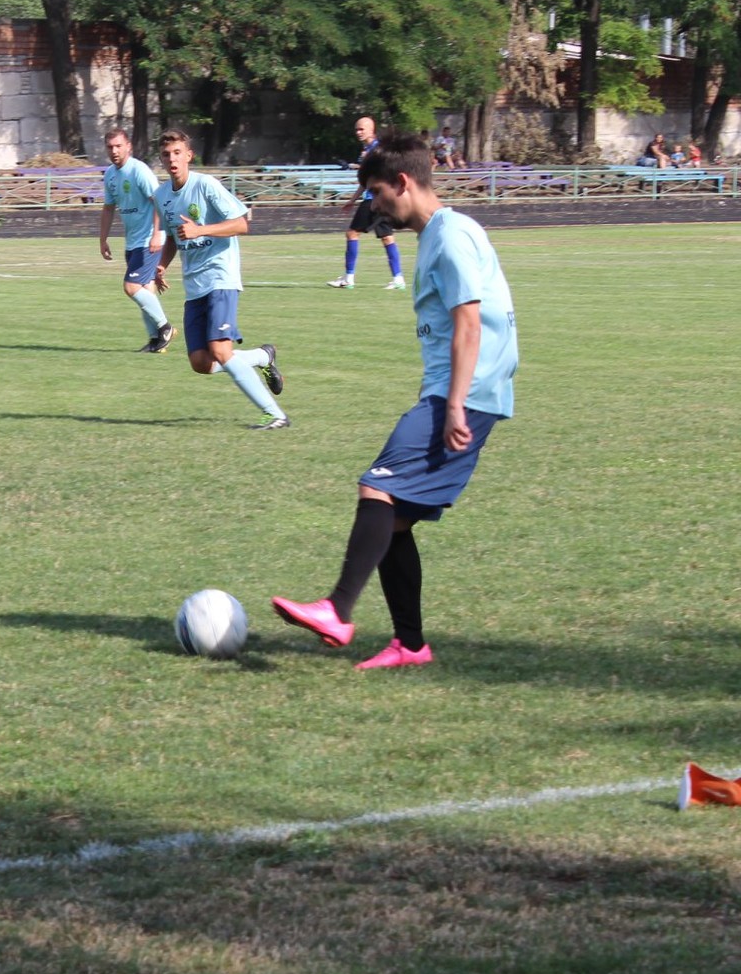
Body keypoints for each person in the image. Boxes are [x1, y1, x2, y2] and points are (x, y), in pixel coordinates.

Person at [272, 133, 517, 669]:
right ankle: (410, 645)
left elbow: (469, 324)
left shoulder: (450, 238)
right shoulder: (439, 233)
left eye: (378, 192)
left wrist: (453, 404)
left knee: (376, 486)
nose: (374, 204)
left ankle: (337, 609)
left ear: (403, 183)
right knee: (394, 518)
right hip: (464, 389)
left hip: (466, 393)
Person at [151, 129, 287, 430]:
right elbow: (175, 235)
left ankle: (274, 414)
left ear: (189, 155)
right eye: (166, 154)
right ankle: (262, 357)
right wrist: (162, 265)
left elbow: (241, 223)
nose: (172, 159)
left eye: (177, 153)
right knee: (201, 362)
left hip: (221, 276)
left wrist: (201, 230)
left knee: (221, 351)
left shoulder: (206, 185)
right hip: (194, 285)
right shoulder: (162, 196)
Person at [95, 127, 173, 352]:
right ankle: (155, 342)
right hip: (132, 242)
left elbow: (158, 200)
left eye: (119, 146)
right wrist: (103, 240)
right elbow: (108, 208)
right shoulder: (110, 174)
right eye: (110, 147)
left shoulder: (139, 170)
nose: (114, 151)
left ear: (129, 146)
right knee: (145, 291)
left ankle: (164, 327)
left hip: (149, 239)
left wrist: (158, 233)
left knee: (131, 287)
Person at [328, 116, 406, 291]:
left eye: (361, 129)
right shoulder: (369, 151)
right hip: (383, 200)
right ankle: (398, 278)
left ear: (371, 130)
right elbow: (366, 181)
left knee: (352, 234)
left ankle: (349, 278)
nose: (358, 132)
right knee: (387, 238)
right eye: (356, 129)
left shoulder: (376, 151)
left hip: (375, 200)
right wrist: (352, 200)